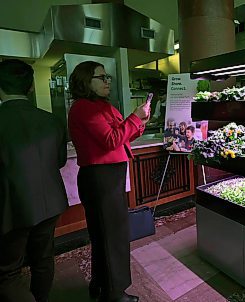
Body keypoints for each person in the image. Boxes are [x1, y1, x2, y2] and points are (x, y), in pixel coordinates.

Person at [68, 61, 150, 302]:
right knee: (112, 235)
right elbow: (111, 139)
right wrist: (134, 117)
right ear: (85, 81)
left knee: (105, 234)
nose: (107, 82)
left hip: (108, 177)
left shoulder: (102, 106)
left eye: (108, 78)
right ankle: (114, 294)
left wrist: (140, 120)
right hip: (100, 178)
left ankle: (100, 284)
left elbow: (124, 134)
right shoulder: (84, 108)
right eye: (101, 78)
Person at [0, 59, 68, 302]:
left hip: (11, 208)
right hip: (50, 203)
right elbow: (59, 161)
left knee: (8, 273)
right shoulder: (52, 121)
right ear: (30, 88)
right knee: (43, 260)